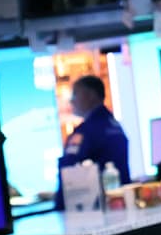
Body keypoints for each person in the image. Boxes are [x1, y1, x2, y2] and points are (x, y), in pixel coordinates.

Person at [54, 74, 130, 205]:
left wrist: (59, 206)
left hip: (93, 207)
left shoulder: (86, 131)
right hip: (118, 202)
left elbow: (68, 171)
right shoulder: (114, 125)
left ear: (91, 95)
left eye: (75, 94)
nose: (72, 101)